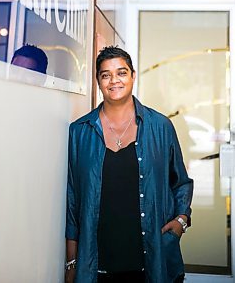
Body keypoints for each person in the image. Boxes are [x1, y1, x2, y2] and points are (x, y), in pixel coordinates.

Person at [65, 46, 193, 283]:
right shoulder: (79, 132)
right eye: (106, 74)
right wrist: (72, 260)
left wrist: (180, 221)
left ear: (133, 76)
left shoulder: (160, 126)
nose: (114, 80)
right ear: (98, 81)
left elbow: (181, 182)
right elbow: (73, 199)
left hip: (152, 261)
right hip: (97, 264)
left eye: (121, 72)